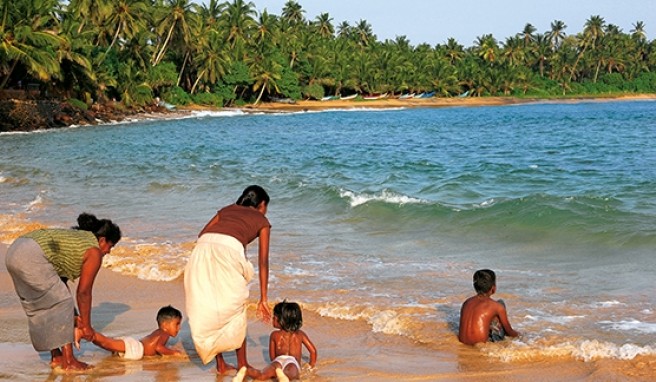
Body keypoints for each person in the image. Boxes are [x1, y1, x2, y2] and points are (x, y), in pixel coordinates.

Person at [4, 212, 121, 371]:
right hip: (31, 255)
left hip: (14, 251)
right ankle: (69, 361)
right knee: (62, 303)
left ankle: (56, 356)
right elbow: (83, 293)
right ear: (102, 240)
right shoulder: (93, 251)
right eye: (110, 246)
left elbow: (59, 283)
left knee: (41, 306)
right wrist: (86, 326)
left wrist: (74, 315)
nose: (109, 252)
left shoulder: (76, 239)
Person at [184, 185, 272, 375]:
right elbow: (263, 261)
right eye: (266, 207)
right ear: (262, 204)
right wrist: (263, 298)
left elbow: (203, 234)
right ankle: (243, 364)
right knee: (236, 308)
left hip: (202, 249)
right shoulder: (262, 220)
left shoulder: (226, 210)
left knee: (212, 306)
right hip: (228, 251)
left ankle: (221, 364)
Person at [234, 300, 317, 382]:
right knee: (292, 376)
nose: (272, 319)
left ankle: (246, 371)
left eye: (274, 318)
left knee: (262, 375)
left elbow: (272, 357)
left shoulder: (274, 335)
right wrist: (311, 366)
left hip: (278, 361)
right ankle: (282, 377)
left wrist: (276, 365)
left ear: (281, 321)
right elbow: (313, 351)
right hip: (292, 362)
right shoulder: (300, 334)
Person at [82, 305, 183, 360]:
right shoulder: (164, 334)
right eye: (177, 324)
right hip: (136, 348)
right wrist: (173, 353)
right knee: (106, 342)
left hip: (135, 345)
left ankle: (88, 334)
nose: (179, 327)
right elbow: (159, 348)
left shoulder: (159, 332)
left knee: (106, 343)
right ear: (165, 325)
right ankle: (85, 332)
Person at [458, 269, 520, 345]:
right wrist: (522, 335)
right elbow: (509, 332)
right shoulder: (496, 306)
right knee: (500, 303)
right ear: (493, 288)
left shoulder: (467, 302)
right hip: (481, 346)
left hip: (463, 342)